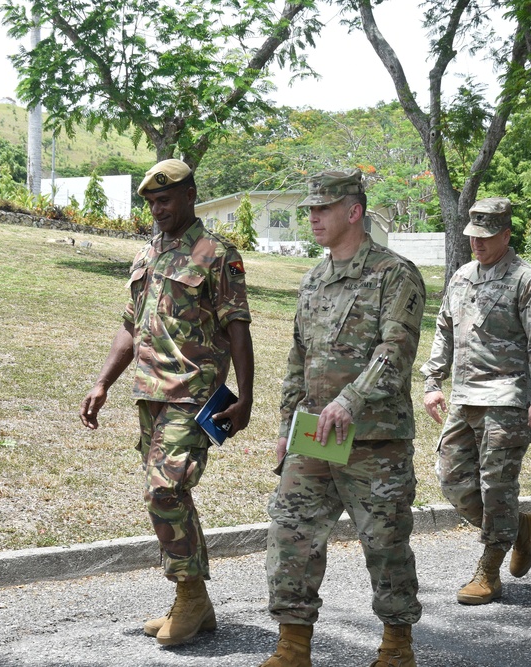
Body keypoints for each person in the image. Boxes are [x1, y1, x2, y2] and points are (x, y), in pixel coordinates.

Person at [78, 159, 254, 647]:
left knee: (165, 491)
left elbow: (238, 328)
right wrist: (102, 383)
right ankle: (194, 600)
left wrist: (247, 397)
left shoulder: (217, 254)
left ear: (191, 195)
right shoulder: (147, 255)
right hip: (149, 395)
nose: (158, 210)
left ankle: (190, 599)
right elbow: (130, 327)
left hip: (194, 395)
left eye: (166, 200)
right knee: (172, 495)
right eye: (152, 203)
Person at [261, 169, 427, 667]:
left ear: (353, 211)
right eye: (309, 209)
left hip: (374, 440)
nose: (313, 217)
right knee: (290, 533)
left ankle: (397, 646)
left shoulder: (395, 274)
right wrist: (287, 425)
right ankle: (293, 645)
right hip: (314, 436)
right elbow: (298, 357)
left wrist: (350, 401)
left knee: (385, 542)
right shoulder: (313, 279)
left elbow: (395, 349)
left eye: (323, 208)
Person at [420, 196, 531, 606]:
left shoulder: (528, 281)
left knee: (496, 486)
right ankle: (521, 527)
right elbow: (444, 329)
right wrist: (432, 380)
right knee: (451, 478)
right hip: (465, 397)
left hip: (509, 398)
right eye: (471, 236)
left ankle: (489, 570)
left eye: (485, 237)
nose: (476, 244)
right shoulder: (462, 276)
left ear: (506, 234)